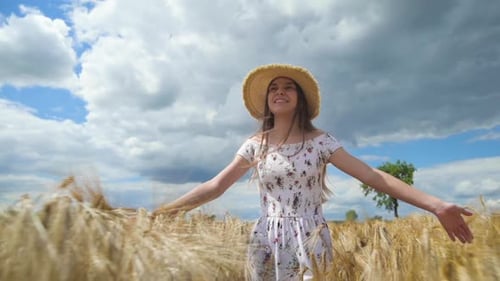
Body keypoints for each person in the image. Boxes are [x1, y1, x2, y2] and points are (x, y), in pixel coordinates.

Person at [153, 64, 474, 280]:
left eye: (288, 87)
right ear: (267, 100)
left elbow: (372, 176)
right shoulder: (255, 144)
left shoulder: (322, 142)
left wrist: (436, 205)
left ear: (300, 98)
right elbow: (215, 186)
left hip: (311, 238)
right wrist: (163, 212)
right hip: (265, 239)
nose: (279, 91)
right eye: (273, 88)